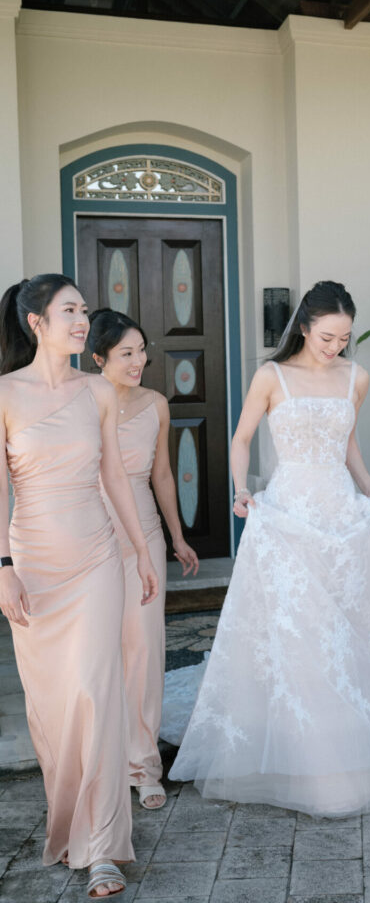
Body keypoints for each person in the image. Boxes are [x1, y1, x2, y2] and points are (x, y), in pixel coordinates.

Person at [168, 280, 370, 816]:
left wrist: (369, 489)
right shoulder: (272, 376)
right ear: (304, 327)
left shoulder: (355, 377)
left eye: (343, 338)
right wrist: (241, 490)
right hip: (290, 511)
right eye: (326, 336)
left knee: (346, 629)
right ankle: (303, 747)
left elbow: (348, 443)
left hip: (342, 512)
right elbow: (242, 437)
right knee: (300, 629)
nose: (334, 346)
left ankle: (353, 735)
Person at [0, 275, 158, 898]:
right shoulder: (4, 395)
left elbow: (116, 479)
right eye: (69, 310)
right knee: (56, 710)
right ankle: (71, 823)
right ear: (36, 321)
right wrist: (2, 566)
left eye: (83, 311)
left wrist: (144, 554)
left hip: (97, 557)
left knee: (96, 692)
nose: (80, 320)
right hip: (34, 562)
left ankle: (101, 850)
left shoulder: (97, 391)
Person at [88, 309, 199, 811]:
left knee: (144, 650)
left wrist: (177, 537)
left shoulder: (157, 403)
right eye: (126, 353)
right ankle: (101, 764)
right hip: (89, 536)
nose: (140, 360)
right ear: (97, 359)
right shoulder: (79, 401)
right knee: (97, 653)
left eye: (141, 350)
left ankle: (144, 764)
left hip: (145, 539)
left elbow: (162, 477)